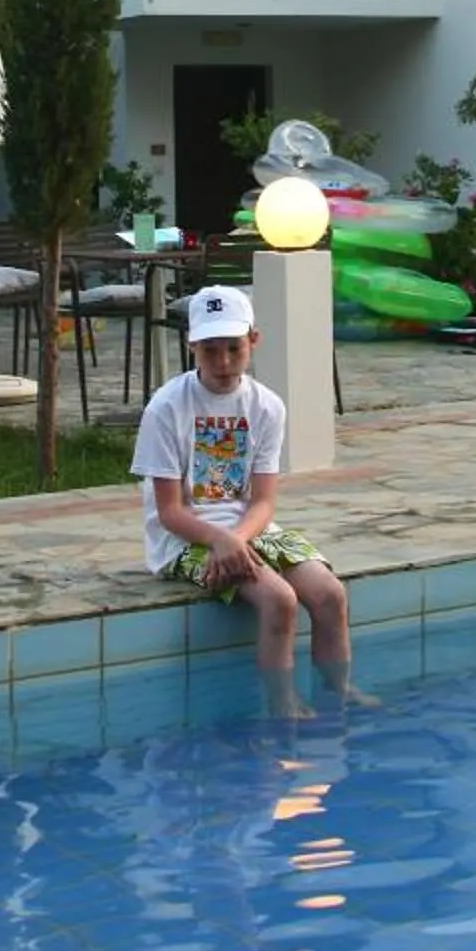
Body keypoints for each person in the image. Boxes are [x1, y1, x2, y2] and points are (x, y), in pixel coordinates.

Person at [131, 285, 364, 712]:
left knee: (330, 593)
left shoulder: (267, 406)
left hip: (249, 529)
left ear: (253, 340)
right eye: (210, 350)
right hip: (184, 540)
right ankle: (281, 703)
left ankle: (338, 690)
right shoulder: (166, 408)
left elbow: (263, 502)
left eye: (234, 348)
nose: (223, 362)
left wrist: (235, 539)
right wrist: (219, 541)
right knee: (279, 600)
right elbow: (168, 512)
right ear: (192, 345)